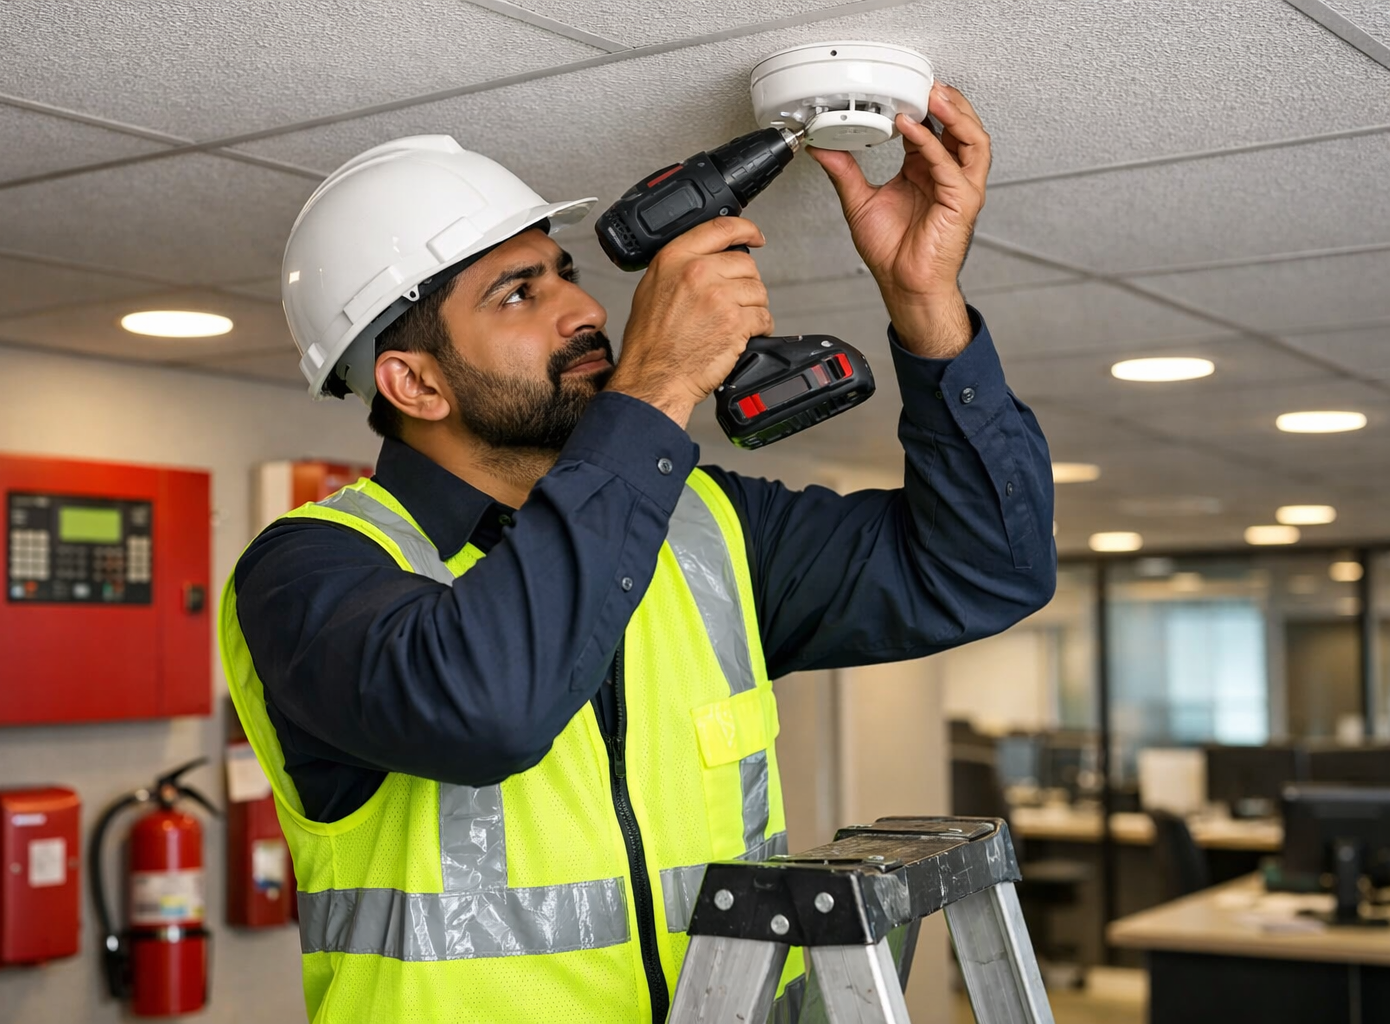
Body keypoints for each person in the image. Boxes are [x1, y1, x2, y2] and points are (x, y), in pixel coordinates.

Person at [221, 82, 1055, 1024]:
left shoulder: (703, 525)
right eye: (520, 292)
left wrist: (925, 303)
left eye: (564, 271)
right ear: (413, 383)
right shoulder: (309, 574)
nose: (582, 307)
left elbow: (988, 568)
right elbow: (488, 708)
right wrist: (657, 385)